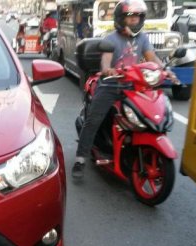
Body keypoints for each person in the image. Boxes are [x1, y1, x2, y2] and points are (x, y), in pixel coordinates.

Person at [72, 0, 178, 179]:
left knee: (151, 113)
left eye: (137, 17)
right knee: (94, 120)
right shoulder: (110, 39)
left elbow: (152, 58)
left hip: (134, 85)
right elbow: (106, 61)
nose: (135, 20)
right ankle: (80, 158)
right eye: (131, 17)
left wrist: (166, 71)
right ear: (121, 18)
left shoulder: (142, 38)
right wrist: (107, 69)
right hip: (111, 84)